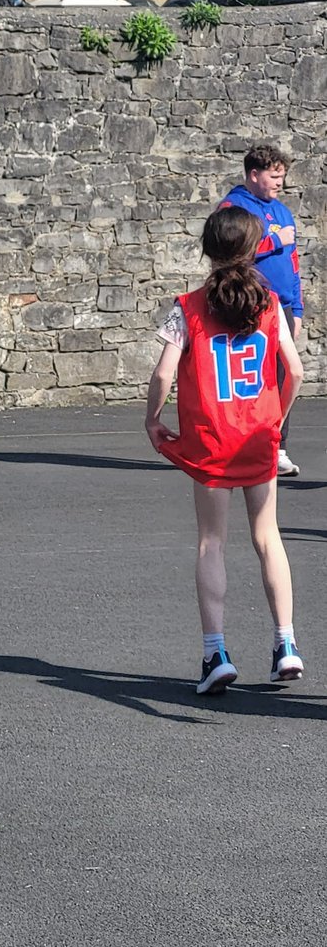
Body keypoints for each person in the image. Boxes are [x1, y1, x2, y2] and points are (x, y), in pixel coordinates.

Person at [144, 206, 304, 695]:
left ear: (207, 251)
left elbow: (163, 374)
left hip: (213, 438)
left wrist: (152, 419)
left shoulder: (187, 307)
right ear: (254, 249)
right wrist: (275, 418)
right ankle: (286, 644)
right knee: (267, 537)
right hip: (257, 436)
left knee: (211, 541)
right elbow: (294, 371)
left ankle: (216, 651)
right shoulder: (270, 303)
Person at [218, 144, 303, 477]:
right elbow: (230, 251)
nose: (280, 182)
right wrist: (274, 241)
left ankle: (277, 447)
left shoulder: (282, 211)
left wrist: (296, 307)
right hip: (248, 299)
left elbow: (292, 262)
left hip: (280, 306)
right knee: (246, 374)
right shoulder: (233, 207)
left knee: (283, 375)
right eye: (274, 175)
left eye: (282, 176)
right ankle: (236, 444)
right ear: (254, 174)